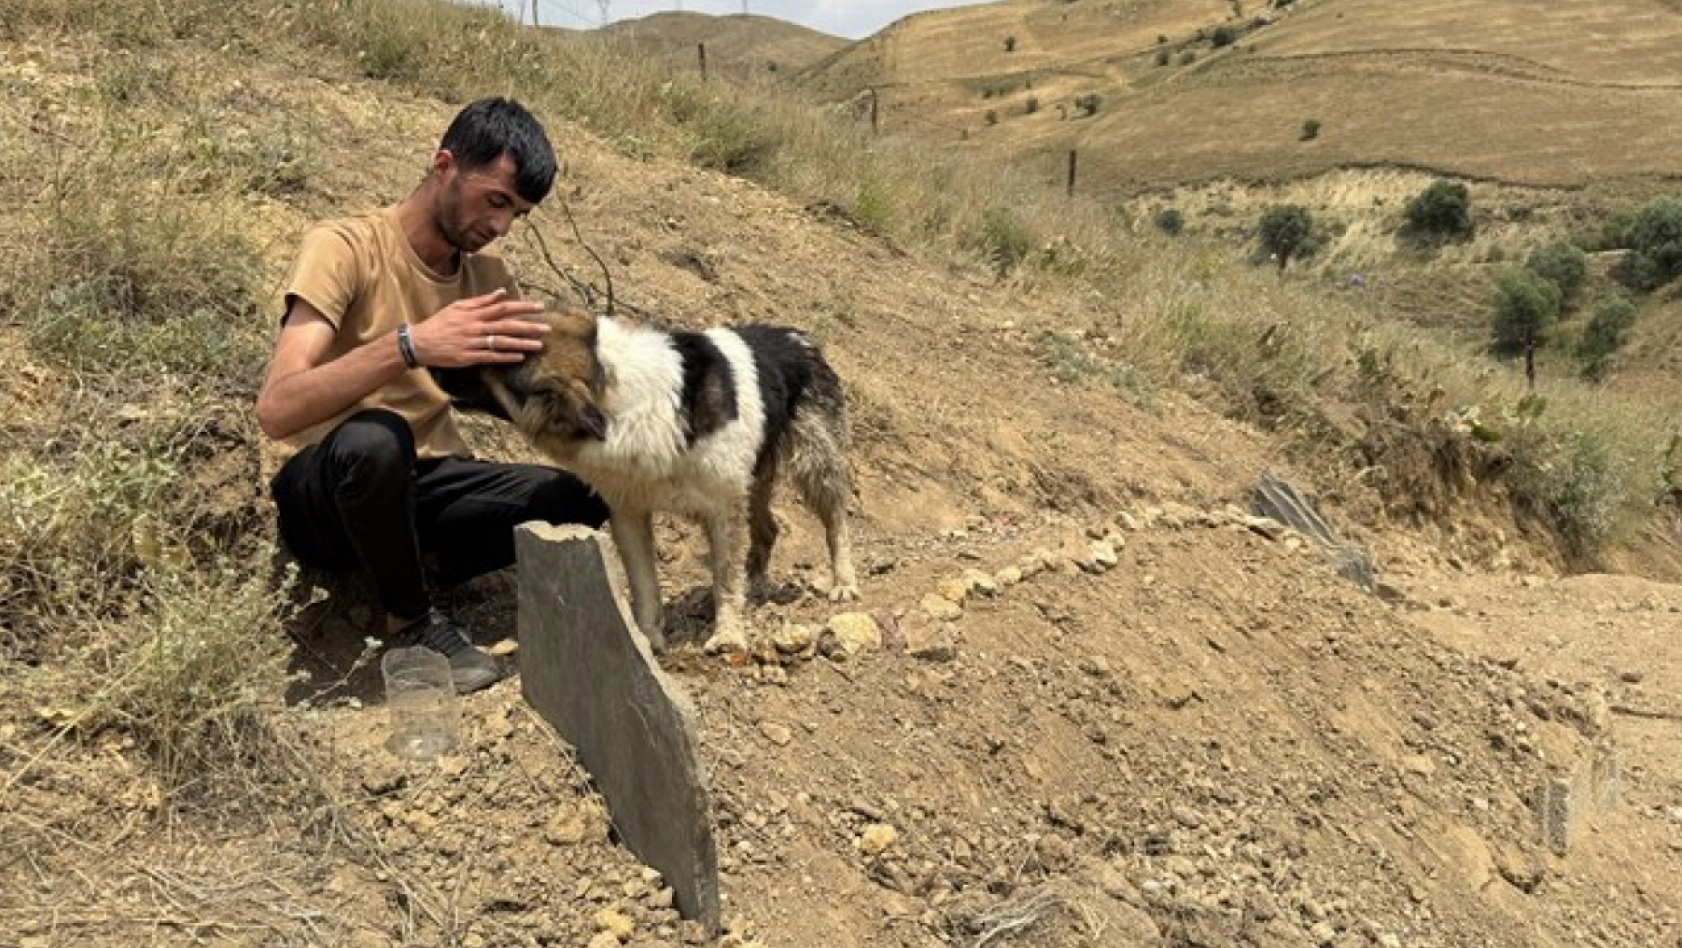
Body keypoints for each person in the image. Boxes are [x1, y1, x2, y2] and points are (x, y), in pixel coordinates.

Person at [256, 97, 609, 694]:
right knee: (377, 439)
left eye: (517, 213)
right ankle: (412, 621)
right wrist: (411, 345)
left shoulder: (489, 278)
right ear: (444, 166)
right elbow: (278, 408)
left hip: (428, 485)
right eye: (496, 200)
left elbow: (520, 397)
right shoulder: (344, 246)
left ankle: (412, 570)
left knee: (588, 493)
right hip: (332, 491)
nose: (501, 226)